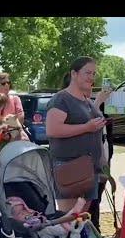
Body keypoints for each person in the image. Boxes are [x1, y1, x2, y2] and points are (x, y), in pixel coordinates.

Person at [45, 56, 111, 212]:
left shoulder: (86, 101)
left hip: (90, 168)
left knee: (80, 220)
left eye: (94, 73)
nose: (92, 77)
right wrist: (87, 127)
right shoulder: (61, 99)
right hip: (70, 168)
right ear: (74, 74)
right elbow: (53, 130)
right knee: (68, 220)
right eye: (88, 73)